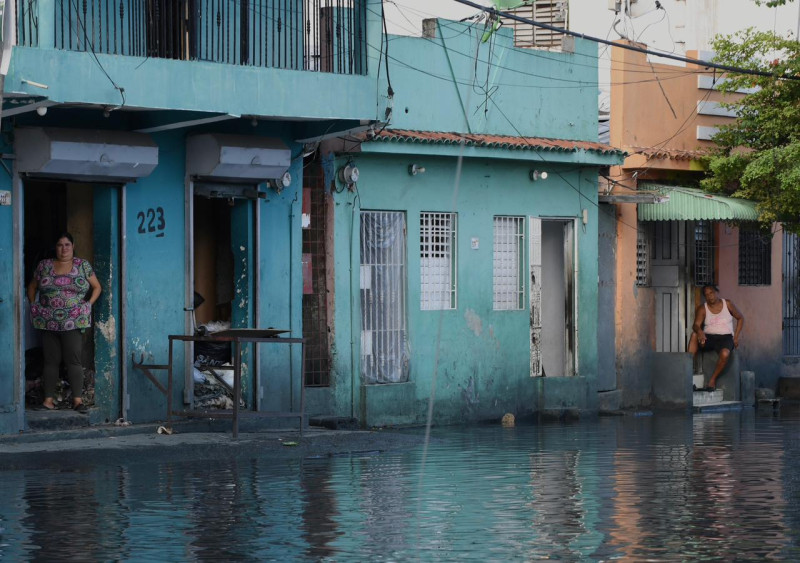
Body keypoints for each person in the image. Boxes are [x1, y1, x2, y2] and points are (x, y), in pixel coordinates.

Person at [27, 233, 101, 413]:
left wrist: (87, 305)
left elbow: (97, 287)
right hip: (48, 322)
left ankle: (77, 401)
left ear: (73, 246)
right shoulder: (44, 265)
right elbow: (32, 287)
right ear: (56, 247)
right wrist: (34, 306)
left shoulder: (82, 265)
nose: (64, 248)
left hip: (73, 321)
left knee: (73, 361)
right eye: (60, 245)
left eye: (67, 244)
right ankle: (48, 401)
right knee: (50, 361)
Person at [687, 285, 744, 391]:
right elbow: (695, 325)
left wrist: (735, 337)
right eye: (707, 294)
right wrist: (699, 331)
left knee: (725, 353)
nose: (710, 296)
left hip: (726, 338)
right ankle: (688, 371)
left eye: (711, 293)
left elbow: (740, 318)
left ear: (717, 292)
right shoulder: (702, 308)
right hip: (709, 338)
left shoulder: (727, 304)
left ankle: (712, 380)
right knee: (694, 335)